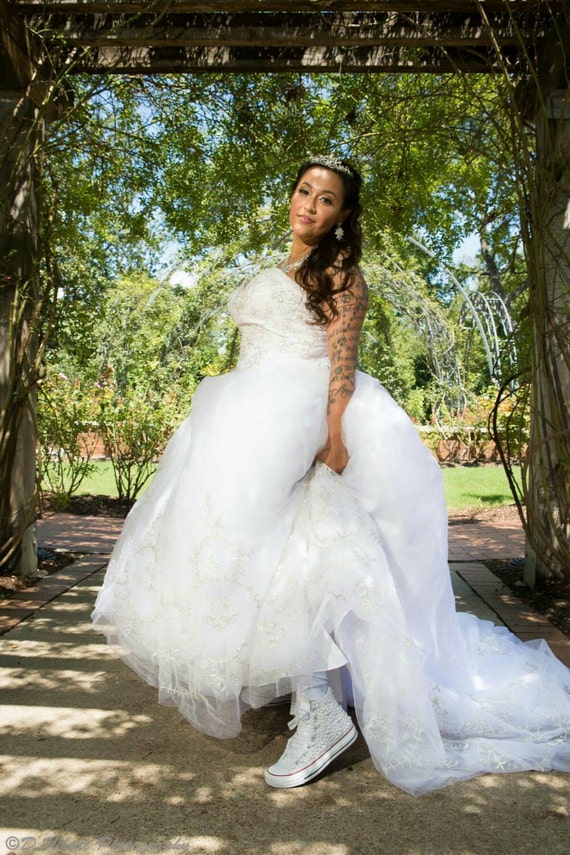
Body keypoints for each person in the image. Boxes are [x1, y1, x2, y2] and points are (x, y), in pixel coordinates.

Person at [92, 155, 570, 797]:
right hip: (244, 414)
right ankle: (310, 696)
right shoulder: (280, 269)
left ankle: (318, 709)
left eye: (326, 199)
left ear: (344, 215)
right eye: (303, 191)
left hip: (303, 414)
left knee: (303, 544)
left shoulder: (342, 273)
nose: (309, 205)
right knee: (241, 547)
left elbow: (342, 360)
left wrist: (335, 432)